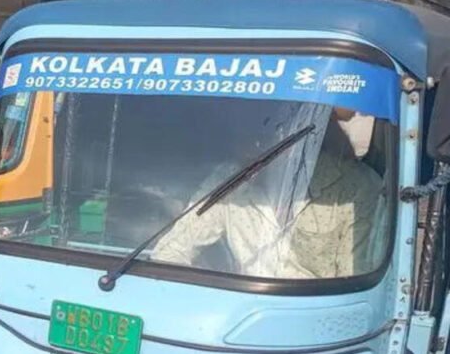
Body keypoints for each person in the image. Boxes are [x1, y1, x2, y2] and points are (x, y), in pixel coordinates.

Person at [152, 109, 385, 279]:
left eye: (268, 127)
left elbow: (355, 286)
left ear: (304, 130)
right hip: (238, 317)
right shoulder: (230, 179)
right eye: (244, 131)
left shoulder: (354, 188)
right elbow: (170, 252)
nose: (252, 143)